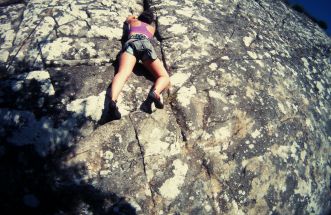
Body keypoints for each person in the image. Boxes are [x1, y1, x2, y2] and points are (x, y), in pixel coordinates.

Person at [108, 10, 170, 120]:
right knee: (164, 76)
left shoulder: (133, 22)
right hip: (146, 46)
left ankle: (113, 100)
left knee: (123, 73)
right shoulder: (152, 29)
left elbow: (129, 17)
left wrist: (135, 17)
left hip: (132, 43)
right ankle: (155, 93)